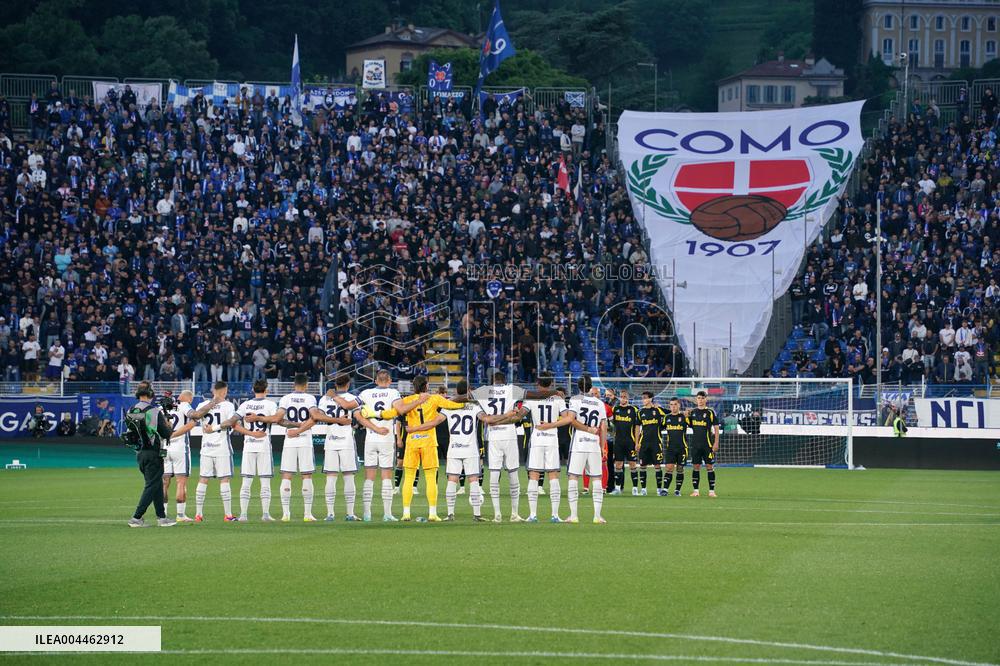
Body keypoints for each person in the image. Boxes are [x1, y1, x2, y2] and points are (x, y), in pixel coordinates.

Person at [363, 375, 463, 522]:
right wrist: (468, 404)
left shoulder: (408, 401)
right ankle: (432, 513)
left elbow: (393, 413)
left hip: (412, 442)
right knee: (430, 478)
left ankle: (406, 513)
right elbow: (452, 405)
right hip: (429, 441)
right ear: (426, 386)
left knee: (408, 478)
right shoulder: (434, 399)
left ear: (413, 387)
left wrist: (373, 414)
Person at [471, 372, 555, 522]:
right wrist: (555, 392)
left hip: (493, 436)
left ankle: (497, 514)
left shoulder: (483, 390)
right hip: (509, 434)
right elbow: (536, 395)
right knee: (513, 474)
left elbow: (464, 396)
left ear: (492, 381)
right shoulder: (512, 389)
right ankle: (514, 514)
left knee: (494, 475)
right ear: (505, 381)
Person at [328, 369, 406, 521]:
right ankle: (387, 514)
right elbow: (400, 410)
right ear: (389, 380)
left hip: (370, 437)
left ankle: (367, 514)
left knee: (369, 476)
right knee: (386, 476)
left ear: (376, 381)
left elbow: (348, 405)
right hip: (386, 437)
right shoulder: (394, 393)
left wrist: (334, 396)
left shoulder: (366, 393)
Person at [536, 375, 606, 524]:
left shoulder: (575, 400)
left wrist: (548, 425)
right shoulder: (599, 403)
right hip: (594, 443)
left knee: (573, 477)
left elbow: (570, 420)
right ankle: (597, 516)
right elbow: (603, 426)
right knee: (597, 479)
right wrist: (602, 446)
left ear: (579, 387)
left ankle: (574, 515)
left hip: (579, 443)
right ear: (591, 387)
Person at [517, 373, 567, 522]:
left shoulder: (532, 397)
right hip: (552, 438)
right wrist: (552, 424)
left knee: (534, 475)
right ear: (551, 384)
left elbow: (520, 415)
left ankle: (533, 515)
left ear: (538, 384)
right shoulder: (558, 398)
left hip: (537, 439)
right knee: (553, 476)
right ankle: (555, 515)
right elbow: (566, 418)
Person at [442, 380, 495, 521]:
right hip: (470, 449)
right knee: (473, 480)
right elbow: (486, 419)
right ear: (469, 391)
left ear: (456, 391)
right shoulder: (474, 406)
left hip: (454, 448)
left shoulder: (448, 406)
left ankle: (450, 514)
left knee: (452, 480)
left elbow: (435, 420)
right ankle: (477, 515)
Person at [310, 374, 360, 522]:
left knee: (331, 478)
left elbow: (318, 417)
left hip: (331, 441)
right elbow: (356, 413)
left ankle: (330, 514)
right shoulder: (351, 397)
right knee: (348, 477)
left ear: (335, 385)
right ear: (348, 384)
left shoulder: (325, 399)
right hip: (346, 442)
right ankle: (350, 513)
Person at [126, 384, 176, 527]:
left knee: (156, 484)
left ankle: (162, 518)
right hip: (153, 452)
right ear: (150, 395)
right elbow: (166, 434)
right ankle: (136, 517)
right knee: (151, 485)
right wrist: (168, 425)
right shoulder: (153, 411)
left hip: (140, 453)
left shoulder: (132, 410)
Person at [229, 379, 278, 522]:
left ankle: (243, 515)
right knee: (265, 482)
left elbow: (233, 424)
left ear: (253, 390)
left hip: (249, 446)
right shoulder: (270, 404)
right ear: (266, 390)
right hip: (264, 446)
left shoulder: (245, 405)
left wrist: (250, 434)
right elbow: (276, 419)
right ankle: (266, 514)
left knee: (246, 481)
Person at [275, 374, 319, 522]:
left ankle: (285, 514)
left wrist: (293, 427)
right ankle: (307, 514)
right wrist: (301, 427)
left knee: (287, 475)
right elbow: (314, 417)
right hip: (305, 439)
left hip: (289, 440)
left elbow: (278, 419)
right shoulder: (310, 398)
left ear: (294, 384)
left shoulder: (285, 398)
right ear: (306, 385)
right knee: (306, 475)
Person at [191, 381, 237, 521]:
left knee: (203, 479)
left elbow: (196, 415)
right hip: (222, 448)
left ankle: (198, 514)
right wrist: (215, 428)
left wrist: (211, 404)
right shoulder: (228, 405)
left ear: (213, 391)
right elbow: (231, 423)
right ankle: (228, 515)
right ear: (225, 391)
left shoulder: (202, 405)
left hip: (206, 447)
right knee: (224, 479)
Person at [163, 390, 195, 522]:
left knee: (164, 482)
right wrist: (175, 434)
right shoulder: (184, 406)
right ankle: (181, 515)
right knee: (181, 482)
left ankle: (163, 513)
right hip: (180, 448)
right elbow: (193, 421)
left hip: (164, 447)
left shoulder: (163, 407)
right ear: (189, 399)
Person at [686, 391, 720, 498]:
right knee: (696, 466)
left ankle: (711, 491)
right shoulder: (693, 413)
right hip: (695, 444)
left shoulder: (710, 412)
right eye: (698, 398)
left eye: (702, 398)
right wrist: (686, 416)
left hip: (707, 445)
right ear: (696, 400)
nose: (700, 400)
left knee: (709, 466)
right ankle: (696, 491)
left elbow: (716, 428)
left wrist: (716, 443)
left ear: (706, 399)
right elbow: (688, 424)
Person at [609, 390, 641, 495]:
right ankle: (618, 488)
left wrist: (637, 442)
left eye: (625, 397)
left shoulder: (634, 410)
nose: (623, 398)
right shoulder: (615, 409)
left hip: (630, 442)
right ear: (619, 398)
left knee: (632, 464)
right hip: (618, 441)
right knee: (618, 464)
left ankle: (635, 488)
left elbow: (637, 427)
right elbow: (611, 423)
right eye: (622, 397)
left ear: (628, 398)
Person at [636, 392, 666, 496]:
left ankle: (659, 489)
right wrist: (637, 442)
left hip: (656, 442)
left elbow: (671, 413)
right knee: (642, 465)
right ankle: (643, 489)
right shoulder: (640, 412)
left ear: (650, 399)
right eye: (642, 398)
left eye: (645, 398)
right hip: (644, 443)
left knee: (657, 465)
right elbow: (637, 427)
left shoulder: (658, 410)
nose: (643, 400)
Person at [660, 398, 688, 497]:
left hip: (682, 448)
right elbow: (658, 427)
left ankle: (677, 490)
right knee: (669, 468)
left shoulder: (684, 417)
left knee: (680, 469)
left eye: (675, 404)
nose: (673, 406)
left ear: (679, 405)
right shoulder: (666, 418)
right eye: (671, 404)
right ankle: (665, 489)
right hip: (670, 448)